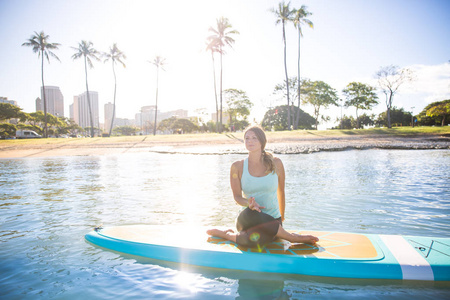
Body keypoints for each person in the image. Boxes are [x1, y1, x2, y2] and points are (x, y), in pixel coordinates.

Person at [207, 126, 319, 248]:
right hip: (248, 218)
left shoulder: (276, 163)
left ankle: (227, 235)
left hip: (273, 220)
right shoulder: (237, 166)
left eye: (254, 138)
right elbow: (237, 197)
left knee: (257, 241)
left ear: (262, 141)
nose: (250, 141)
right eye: (247, 138)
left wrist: (282, 217)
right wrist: (248, 203)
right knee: (251, 214)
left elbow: (281, 192)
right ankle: (292, 237)